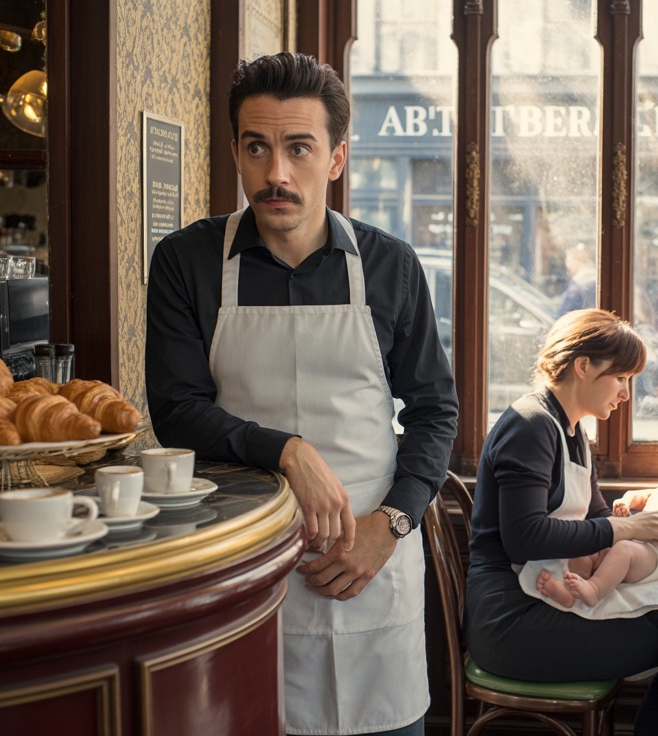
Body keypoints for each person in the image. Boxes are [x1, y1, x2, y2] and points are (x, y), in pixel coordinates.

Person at [145, 52, 458, 736]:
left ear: (337, 158)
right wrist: (287, 450)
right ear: (235, 151)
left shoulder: (390, 266)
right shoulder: (187, 262)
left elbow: (435, 411)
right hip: (242, 571)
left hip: (370, 568)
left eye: (299, 149)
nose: (276, 173)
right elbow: (175, 409)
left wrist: (392, 525)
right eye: (257, 148)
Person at [465, 308, 658, 735]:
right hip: (511, 620)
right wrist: (625, 530)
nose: (626, 394)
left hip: (544, 597)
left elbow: (599, 517)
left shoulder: (572, 431)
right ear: (583, 366)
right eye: (621, 378)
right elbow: (523, 539)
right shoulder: (531, 426)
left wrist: (657, 536)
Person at [534, 419, 658, 608]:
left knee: (624, 550)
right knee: (587, 545)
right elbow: (637, 496)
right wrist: (625, 501)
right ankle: (571, 589)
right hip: (637, 543)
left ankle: (594, 590)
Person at [557, 243, 597, 316]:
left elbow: (564, 314)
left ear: (577, 261)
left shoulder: (577, 284)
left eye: (568, 260)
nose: (567, 265)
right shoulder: (594, 279)